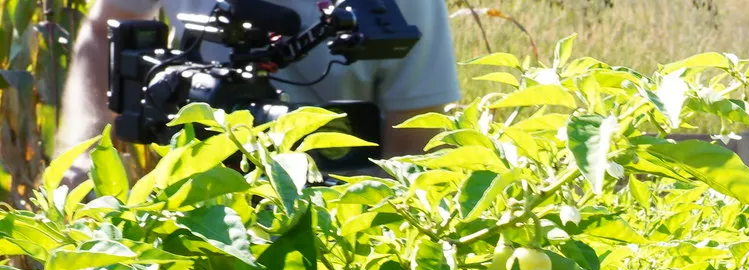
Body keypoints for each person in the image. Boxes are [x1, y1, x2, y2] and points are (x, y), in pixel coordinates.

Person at [53, 0, 460, 167]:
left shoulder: (400, 9)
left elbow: (415, 147)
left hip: (336, 225)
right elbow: (103, 30)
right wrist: (79, 155)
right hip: (194, 204)